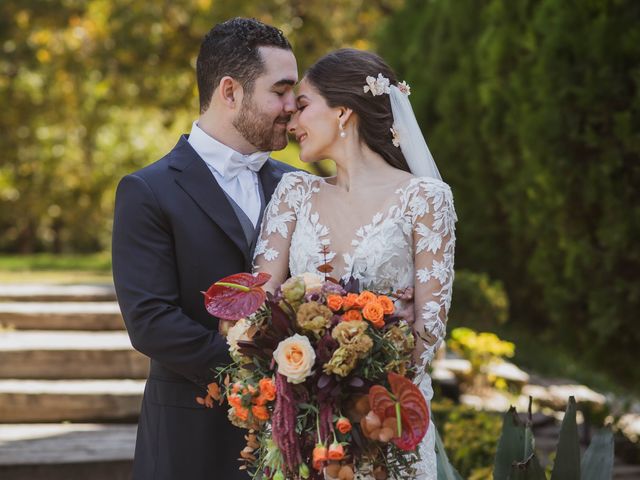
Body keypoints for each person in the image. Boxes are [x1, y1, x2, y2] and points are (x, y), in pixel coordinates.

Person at [253, 48, 457, 479]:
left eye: (303, 106)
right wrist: (311, 387)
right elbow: (260, 307)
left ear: (344, 112)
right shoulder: (294, 194)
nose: (291, 123)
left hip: (389, 425)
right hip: (305, 425)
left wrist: (358, 396)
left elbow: (429, 332)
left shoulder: (425, 200)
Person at [112, 18, 298, 479]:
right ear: (230, 91)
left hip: (296, 436)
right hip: (189, 439)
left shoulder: (301, 188)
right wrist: (262, 376)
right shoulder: (147, 191)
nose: (293, 107)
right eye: (281, 90)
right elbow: (151, 322)